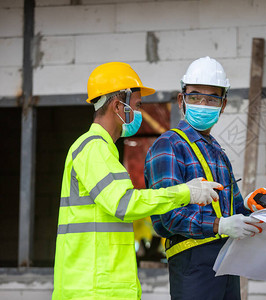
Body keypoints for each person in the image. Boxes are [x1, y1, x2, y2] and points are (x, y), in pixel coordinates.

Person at [52, 62, 223, 300]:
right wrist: (186, 192)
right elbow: (125, 203)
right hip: (93, 288)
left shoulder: (102, 151)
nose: (141, 113)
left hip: (99, 285)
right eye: (138, 105)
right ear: (117, 105)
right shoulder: (93, 148)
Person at [144, 56, 266, 300]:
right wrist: (218, 225)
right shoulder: (169, 145)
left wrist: (262, 211)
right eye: (195, 96)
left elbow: (235, 210)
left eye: (212, 98)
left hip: (227, 261)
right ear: (182, 99)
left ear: (223, 105)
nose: (203, 103)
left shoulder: (217, 151)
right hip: (192, 265)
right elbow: (166, 216)